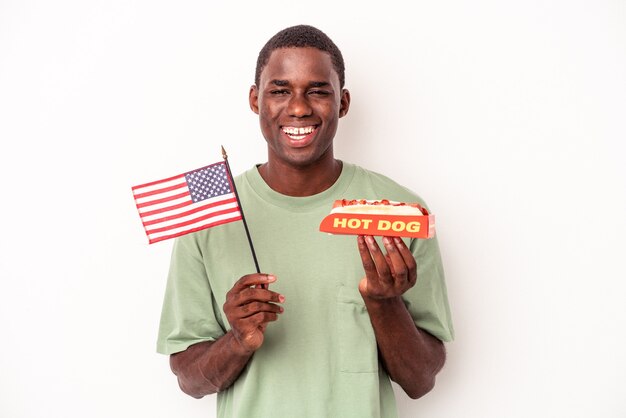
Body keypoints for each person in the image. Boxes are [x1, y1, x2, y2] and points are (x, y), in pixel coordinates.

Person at [157, 24, 454, 418]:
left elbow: (421, 380)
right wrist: (238, 340)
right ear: (254, 100)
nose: (298, 108)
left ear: (343, 102)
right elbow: (189, 381)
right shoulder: (211, 213)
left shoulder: (398, 213)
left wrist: (383, 303)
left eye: (317, 91)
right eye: (280, 91)